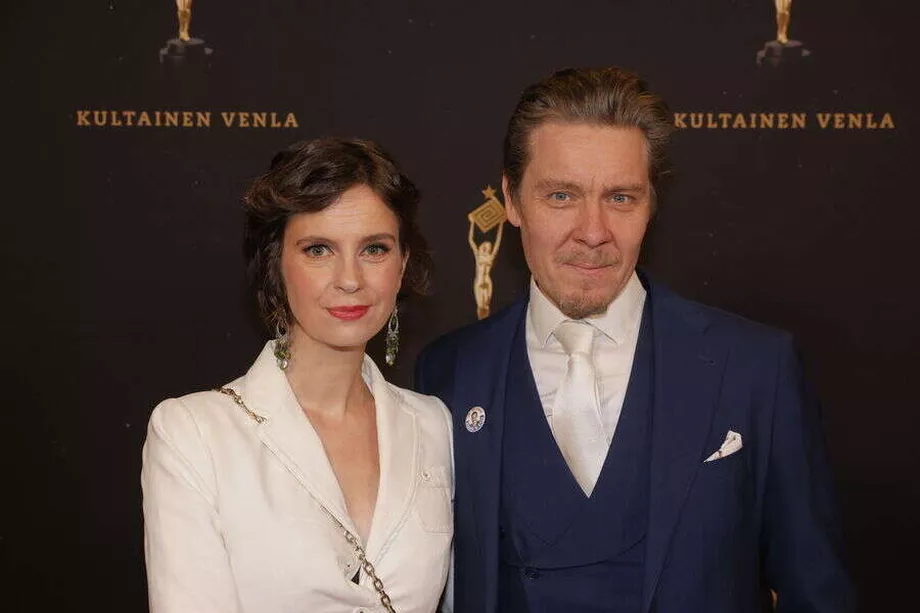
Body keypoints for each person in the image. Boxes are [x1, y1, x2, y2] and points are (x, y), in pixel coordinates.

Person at [415, 68, 854, 613]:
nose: (593, 231)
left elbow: (816, 592)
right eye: (561, 195)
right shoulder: (449, 372)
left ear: (651, 204)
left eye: (621, 198)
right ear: (512, 199)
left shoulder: (755, 367)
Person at [142, 137, 453, 613]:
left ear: (402, 263)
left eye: (374, 249)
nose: (350, 279)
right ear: (276, 263)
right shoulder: (194, 434)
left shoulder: (434, 426)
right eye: (318, 249)